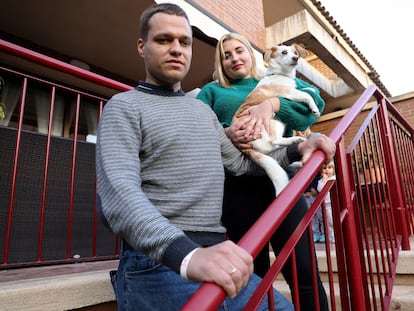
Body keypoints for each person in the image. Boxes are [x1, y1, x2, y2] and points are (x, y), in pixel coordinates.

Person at [96, 3, 335, 310]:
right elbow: (118, 195)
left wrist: (295, 149)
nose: (176, 49)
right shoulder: (123, 107)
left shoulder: (203, 113)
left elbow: (242, 164)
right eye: (163, 40)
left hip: (217, 253)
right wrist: (187, 255)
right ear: (142, 47)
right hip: (158, 260)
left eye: (184, 42)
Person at [196, 33, 329, 310]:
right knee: (252, 277)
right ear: (220, 61)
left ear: (251, 54)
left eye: (239, 51)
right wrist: (226, 132)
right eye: (226, 54)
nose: (234, 58)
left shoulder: (274, 78)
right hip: (237, 188)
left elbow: (314, 106)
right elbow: (195, 128)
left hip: (282, 183)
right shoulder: (211, 91)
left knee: (303, 272)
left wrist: (272, 104)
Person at [317, 161, 337, 243]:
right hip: (325, 205)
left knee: (333, 221)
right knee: (328, 223)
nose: (327, 170)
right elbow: (320, 190)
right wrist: (324, 180)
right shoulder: (320, 181)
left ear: (333, 169)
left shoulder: (334, 179)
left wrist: (326, 181)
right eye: (324, 168)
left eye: (329, 168)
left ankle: (336, 236)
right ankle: (331, 237)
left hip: (333, 204)